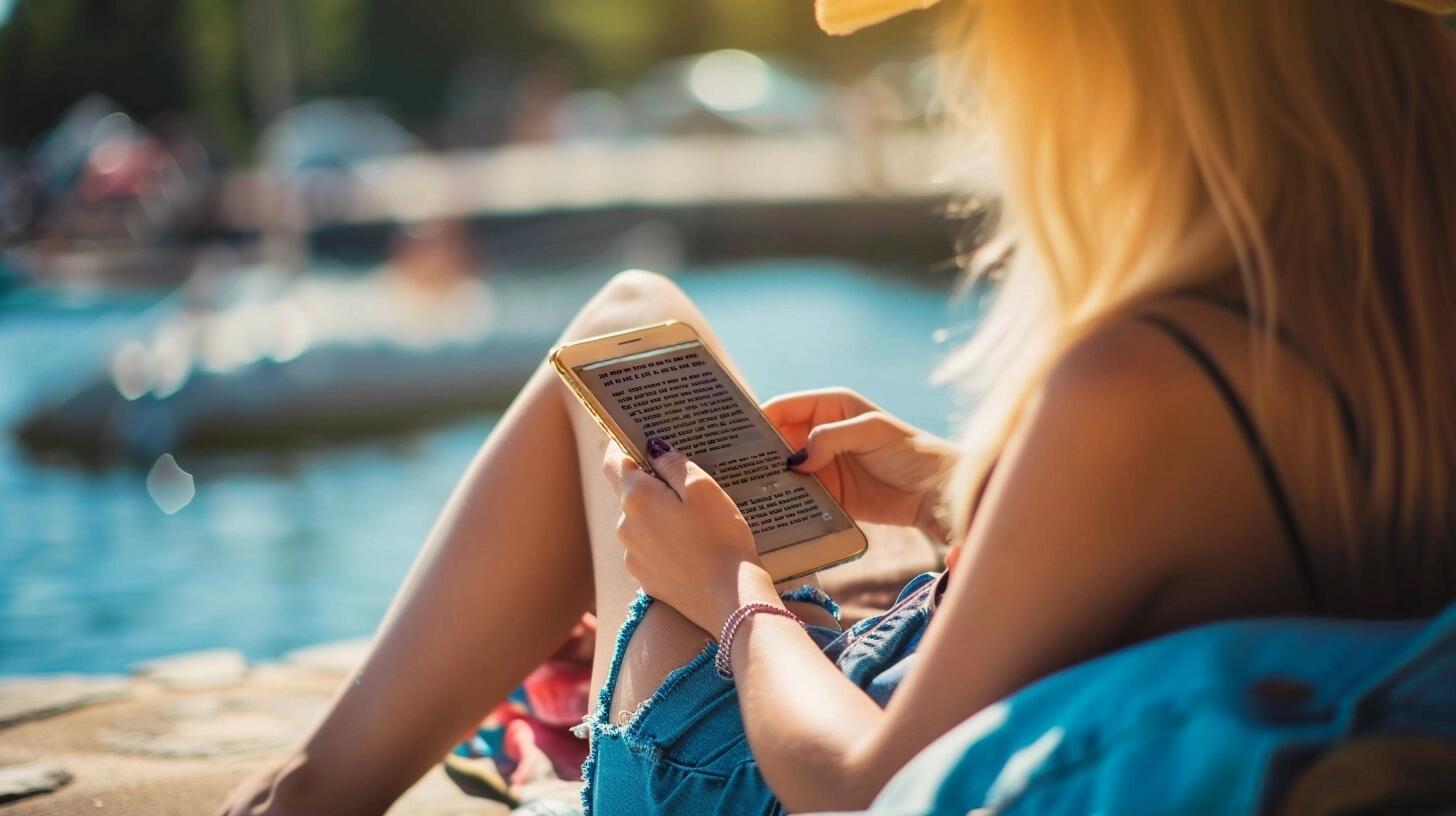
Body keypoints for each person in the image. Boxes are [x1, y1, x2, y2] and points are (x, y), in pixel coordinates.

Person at [220, 1, 1456, 813]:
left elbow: (861, 791)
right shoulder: (1394, 318)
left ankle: (304, 800)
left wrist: (731, 592)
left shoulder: (1138, 380)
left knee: (617, 331)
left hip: (762, 783)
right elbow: (1212, 542)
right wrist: (947, 483)